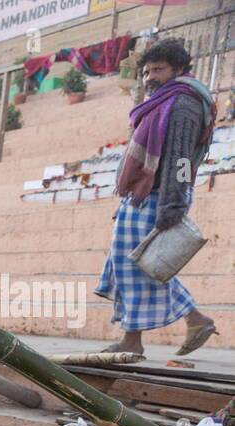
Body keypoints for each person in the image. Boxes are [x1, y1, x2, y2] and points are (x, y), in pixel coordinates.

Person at [96, 39, 218, 356]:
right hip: (142, 195)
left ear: (179, 69)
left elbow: (180, 158)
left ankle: (187, 322)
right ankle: (148, 334)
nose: (151, 76)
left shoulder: (183, 103)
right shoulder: (163, 100)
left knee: (140, 266)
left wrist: (173, 204)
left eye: (159, 69)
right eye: (148, 70)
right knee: (129, 265)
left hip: (161, 195)